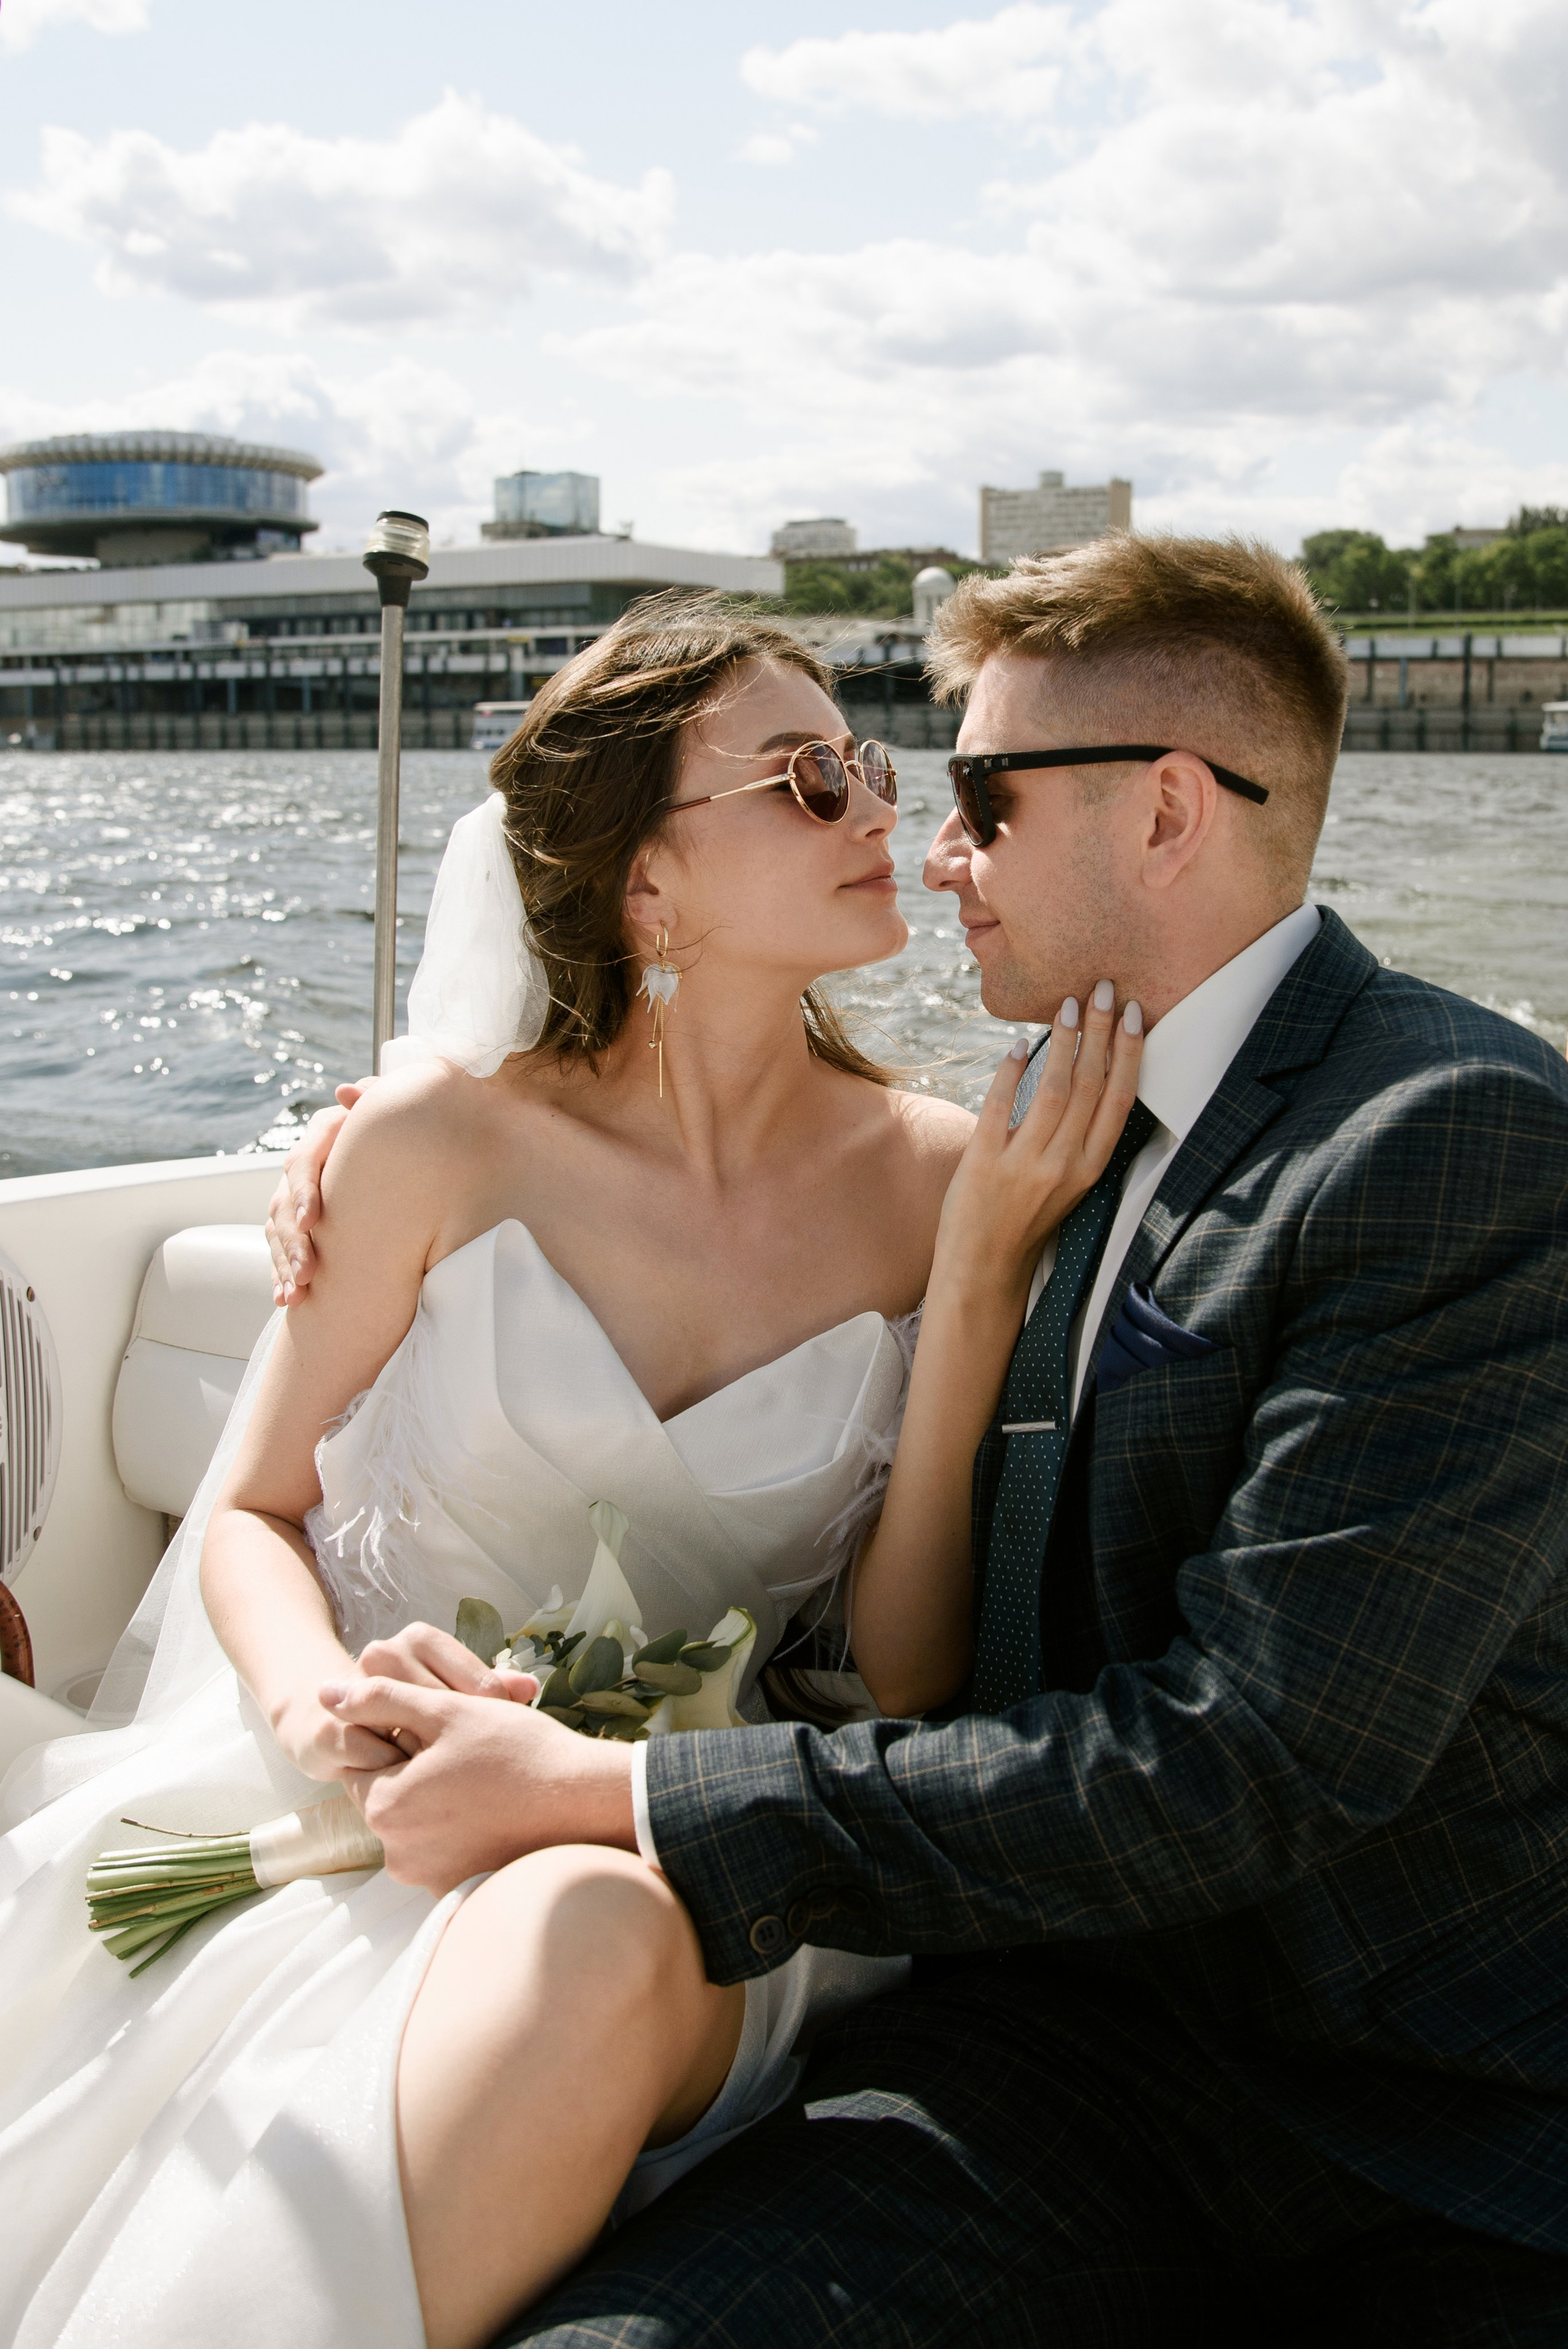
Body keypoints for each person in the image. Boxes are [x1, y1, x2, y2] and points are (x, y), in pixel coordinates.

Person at [279, 535, 1568, 2345]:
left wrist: (614, 1786)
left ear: (1170, 815)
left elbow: (1249, 1761)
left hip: (1411, 2135)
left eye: (974, 793)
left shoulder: (1451, 1140)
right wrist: (384, 1138)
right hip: (1055, 2060)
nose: (932, 846)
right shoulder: (1051, 1130)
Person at [0, 594, 1139, 2349]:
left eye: (865, 768)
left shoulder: (940, 1183)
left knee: (596, 1927)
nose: (874, 817)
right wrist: (318, 1715)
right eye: (803, 779)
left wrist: (981, 1281)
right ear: (646, 885)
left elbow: (906, 1671)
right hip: (366, 1790)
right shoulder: (434, 1147)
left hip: (696, 1849)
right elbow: (248, 1507)